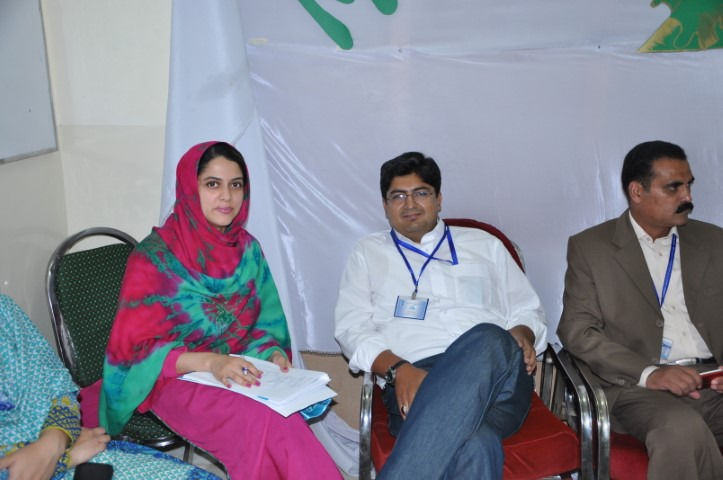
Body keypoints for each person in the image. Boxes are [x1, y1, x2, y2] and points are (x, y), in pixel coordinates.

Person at [99, 141, 341, 480]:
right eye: (212, 184)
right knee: (261, 423)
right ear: (190, 188)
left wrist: (271, 353)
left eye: (236, 185)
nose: (226, 196)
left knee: (280, 419)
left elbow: (262, 325)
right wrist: (211, 362)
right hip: (169, 378)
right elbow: (133, 352)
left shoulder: (247, 250)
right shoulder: (154, 258)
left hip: (235, 367)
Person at [335, 152, 547, 479]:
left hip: (496, 378)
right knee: (478, 444)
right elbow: (351, 328)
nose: (410, 204)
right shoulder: (367, 253)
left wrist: (522, 333)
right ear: (385, 205)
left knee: (490, 338)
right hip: (414, 380)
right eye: (398, 196)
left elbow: (527, 308)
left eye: (420, 193)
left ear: (439, 199)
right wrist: (398, 369)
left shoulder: (485, 245)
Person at [558, 140, 723, 479]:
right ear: (637, 191)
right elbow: (578, 331)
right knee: (680, 429)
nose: (687, 197)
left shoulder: (714, 241)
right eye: (673, 187)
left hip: (711, 380)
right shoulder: (591, 248)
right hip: (637, 387)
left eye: (689, 185)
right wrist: (650, 373)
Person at [0, 293, 220, 480]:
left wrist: (54, 442)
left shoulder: (4, 311)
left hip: (70, 445)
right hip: (68, 454)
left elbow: (57, 389)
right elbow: (135, 354)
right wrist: (63, 458)